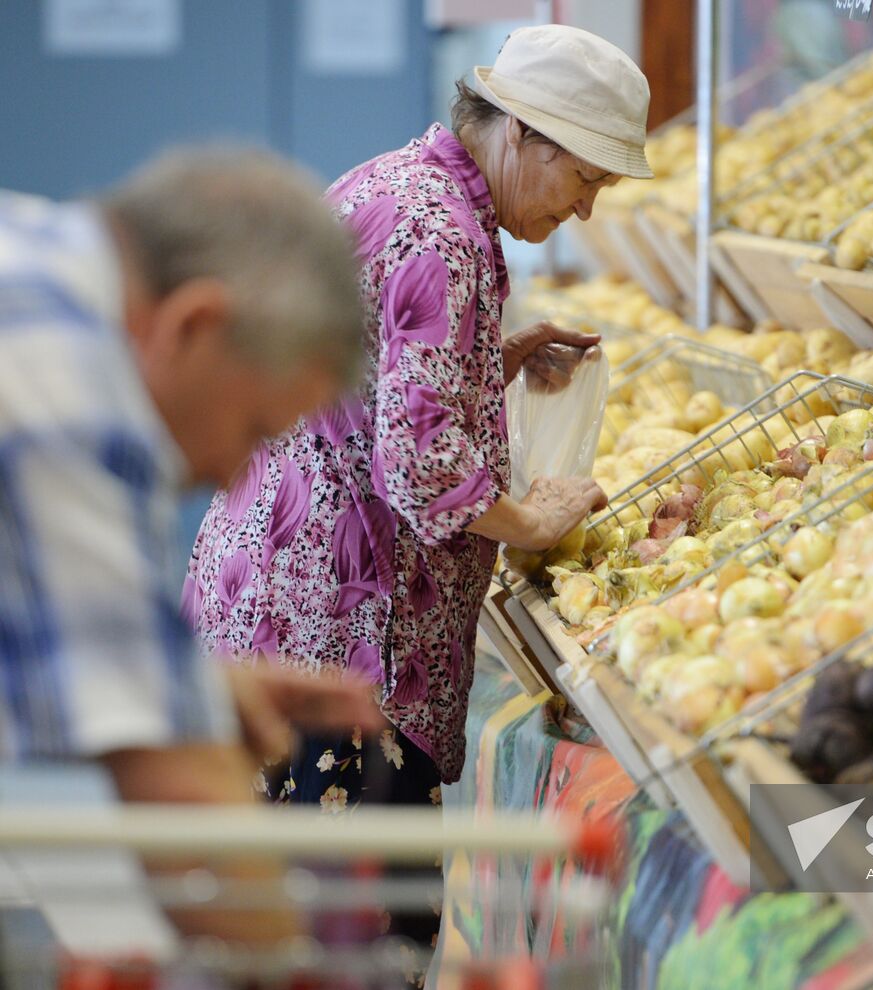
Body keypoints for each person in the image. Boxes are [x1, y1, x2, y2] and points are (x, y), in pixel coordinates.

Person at [184, 24, 652, 943]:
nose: (587, 210)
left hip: (271, 593)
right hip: (342, 642)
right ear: (522, 133)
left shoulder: (397, 183)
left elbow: (364, 381)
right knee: (346, 945)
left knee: (271, 925)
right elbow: (421, 468)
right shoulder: (445, 233)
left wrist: (494, 358)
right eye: (586, 180)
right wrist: (531, 518)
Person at [0, 150, 384, 942]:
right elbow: (182, 802)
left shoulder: (36, 261)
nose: (228, 474)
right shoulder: (61, 373)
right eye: (254, 431)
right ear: (193, 325)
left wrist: (188, 688)